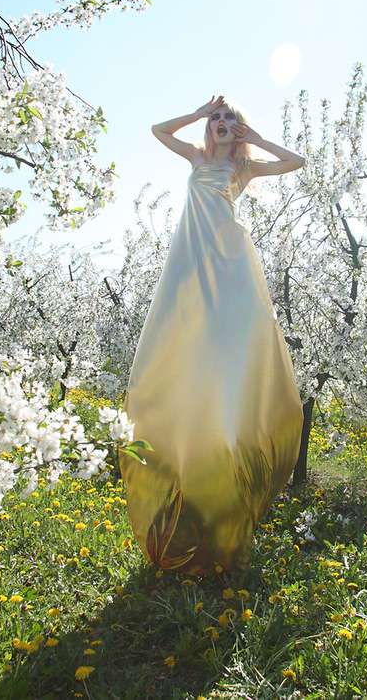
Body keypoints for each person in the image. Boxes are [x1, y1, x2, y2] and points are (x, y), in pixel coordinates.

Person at [118, 94, 305, 576]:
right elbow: (159, 129)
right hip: (191, 257)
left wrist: (256, 139)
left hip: (230, 262)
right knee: (176, 344)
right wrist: (199, 113)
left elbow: (296, 162)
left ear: (238, 129)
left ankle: (233, 462)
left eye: (229, 119)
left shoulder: (244, 170)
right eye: (218, 119)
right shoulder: (198, 157)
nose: (222, 124)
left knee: (234, 343)